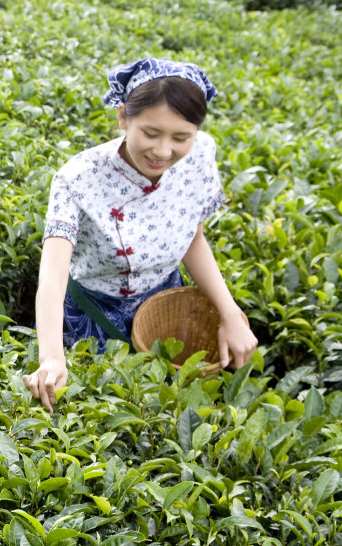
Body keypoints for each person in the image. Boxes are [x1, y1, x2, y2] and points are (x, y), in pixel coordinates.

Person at [24, 57, 257, 413]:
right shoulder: (79, 178)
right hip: (94, 314)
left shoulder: (200, 155)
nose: (164, 151)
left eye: (181, 137)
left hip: (167, 305)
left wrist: (229, 313)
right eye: (150, 133)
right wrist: (52, 357)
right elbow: (52, 277)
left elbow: (192, 237)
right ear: (123, 117)